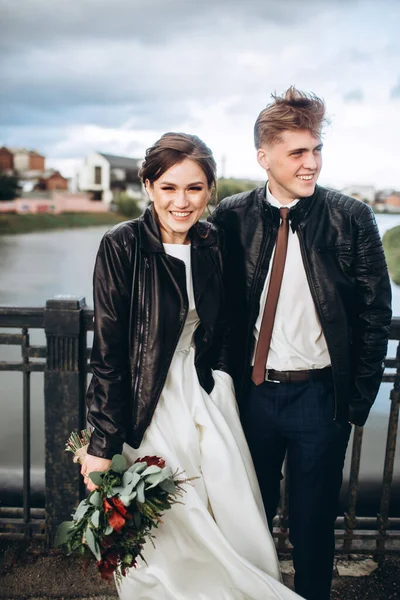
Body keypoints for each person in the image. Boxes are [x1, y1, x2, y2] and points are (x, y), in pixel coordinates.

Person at [80, 133, 301, 600]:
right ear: (148, 186)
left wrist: (219, 380)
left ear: (209, 191)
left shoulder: (213, 241)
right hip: (147, 400)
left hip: (202, 390)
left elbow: (225, 327)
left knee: (221, 504)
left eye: (194, 189)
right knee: (166, 520)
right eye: (169, 188)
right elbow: (109, 354)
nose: (182, 202)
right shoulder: (121, 245)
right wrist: (101, 442)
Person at [209, 88, 392, 600]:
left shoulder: (350, 217)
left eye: (316, 151)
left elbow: (376, 312)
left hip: (320, 398)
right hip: (251, 396)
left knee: (313, 526)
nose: (311, 164)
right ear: (263, 157)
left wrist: (355, 401)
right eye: (297, 153)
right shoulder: (231, 217)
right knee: (246, 518)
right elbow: (213, 307)